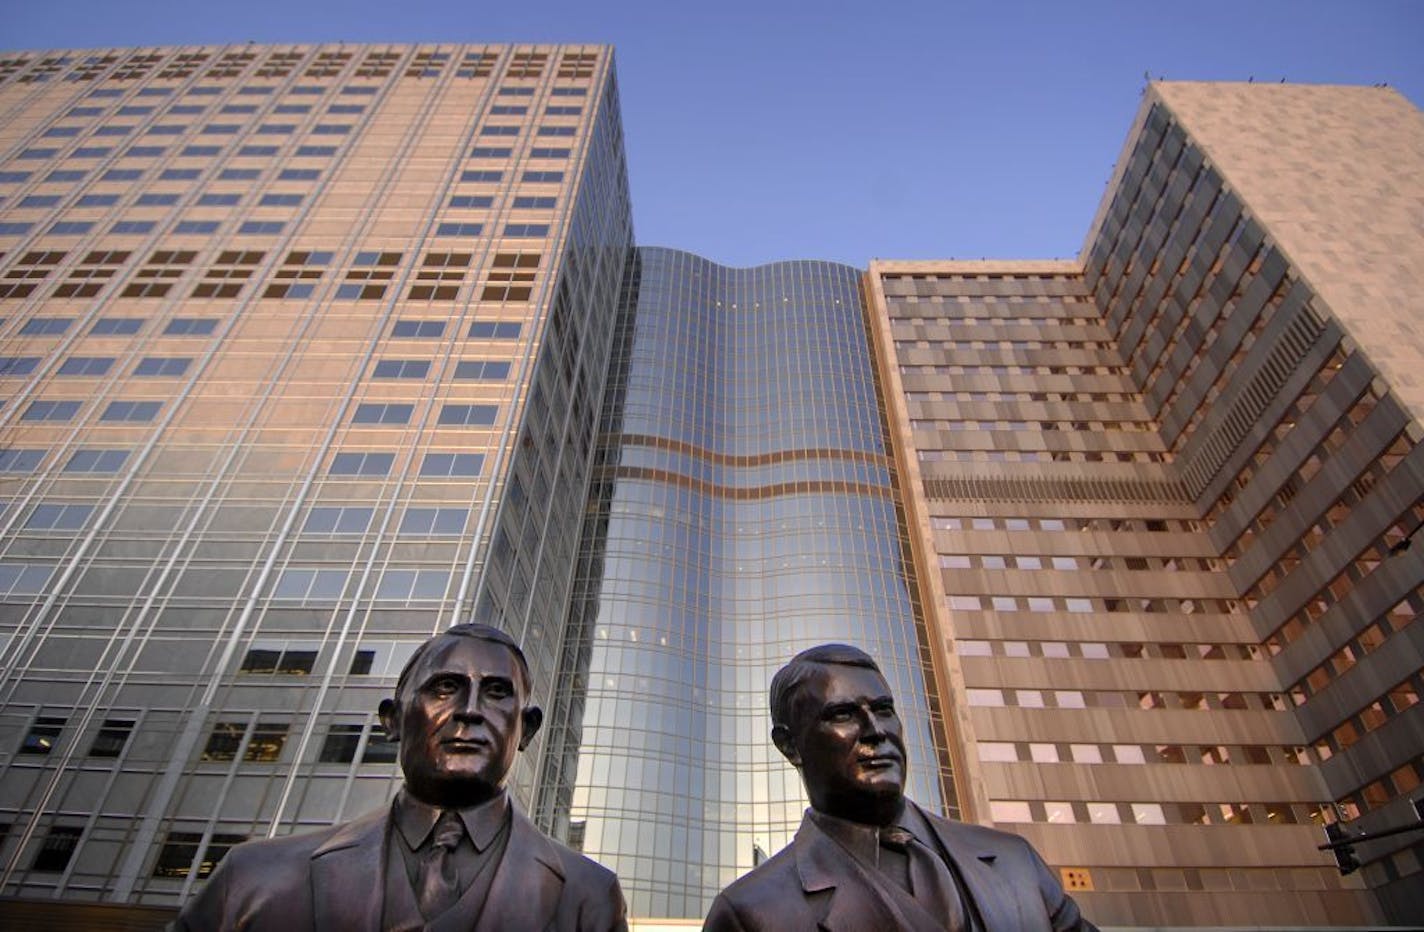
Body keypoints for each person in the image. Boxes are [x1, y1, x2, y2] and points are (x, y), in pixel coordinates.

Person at [173, 623, 626, 932]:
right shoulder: (253, 880)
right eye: (445, 688)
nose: (469, 710)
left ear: (524, 729)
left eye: (496, 693)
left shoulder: (590, 897)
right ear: (392, 720)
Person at [704, 644, 1096, 932]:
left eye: (884, 710)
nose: (877, 731)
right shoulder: (749, 913)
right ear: (790, 745)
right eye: (843, 715)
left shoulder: (1015, 861)